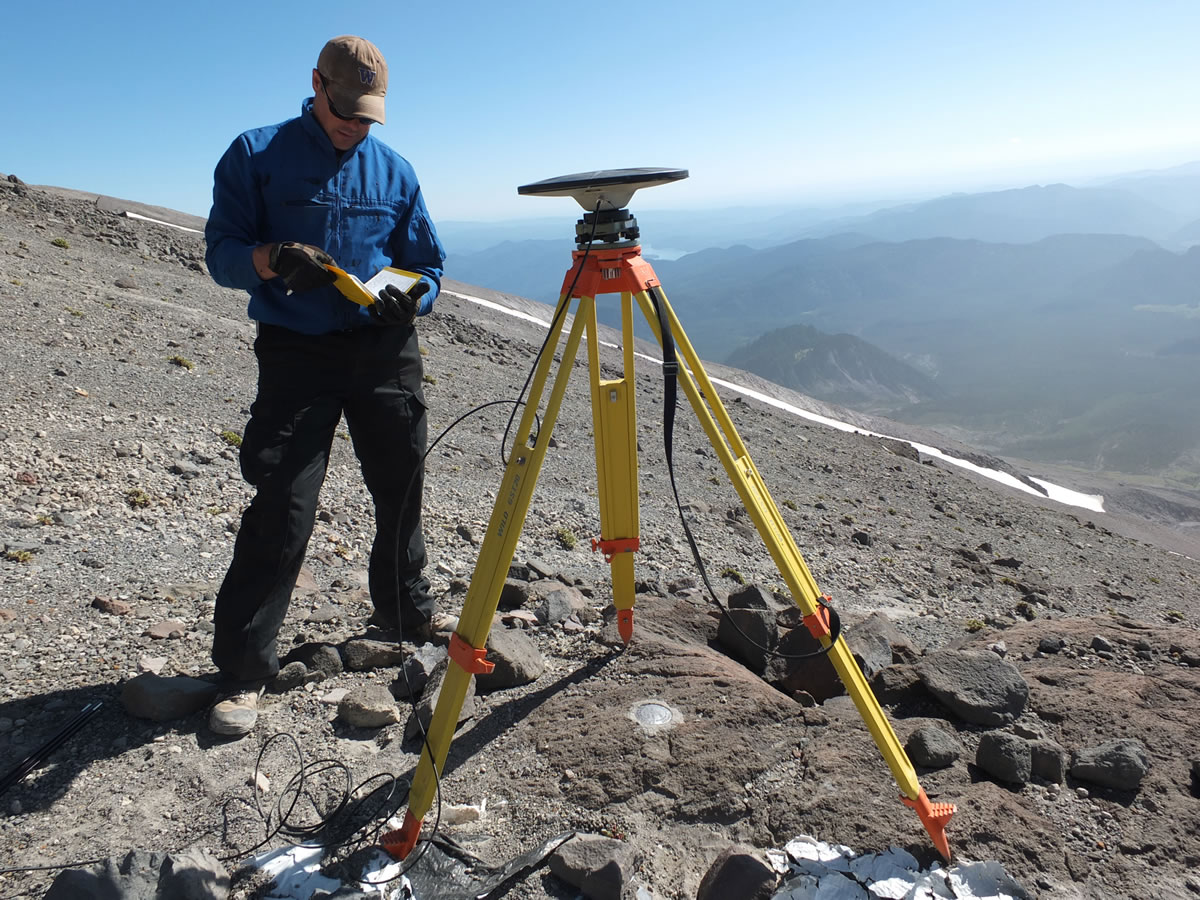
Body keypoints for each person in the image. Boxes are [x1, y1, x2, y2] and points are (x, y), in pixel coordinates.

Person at [203, 35, 445, 737]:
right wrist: (274, 259)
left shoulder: (394, 171)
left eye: (369, 117)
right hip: (297, 353)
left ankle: (403, 613)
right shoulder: (255, 154)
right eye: (346, 110)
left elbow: (425, 262)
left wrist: (415, 296)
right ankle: (244, 669)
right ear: (317, 85)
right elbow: (221, 253)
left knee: (401, 482)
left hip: (384, 348)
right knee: (283, 500)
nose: (355, 125)